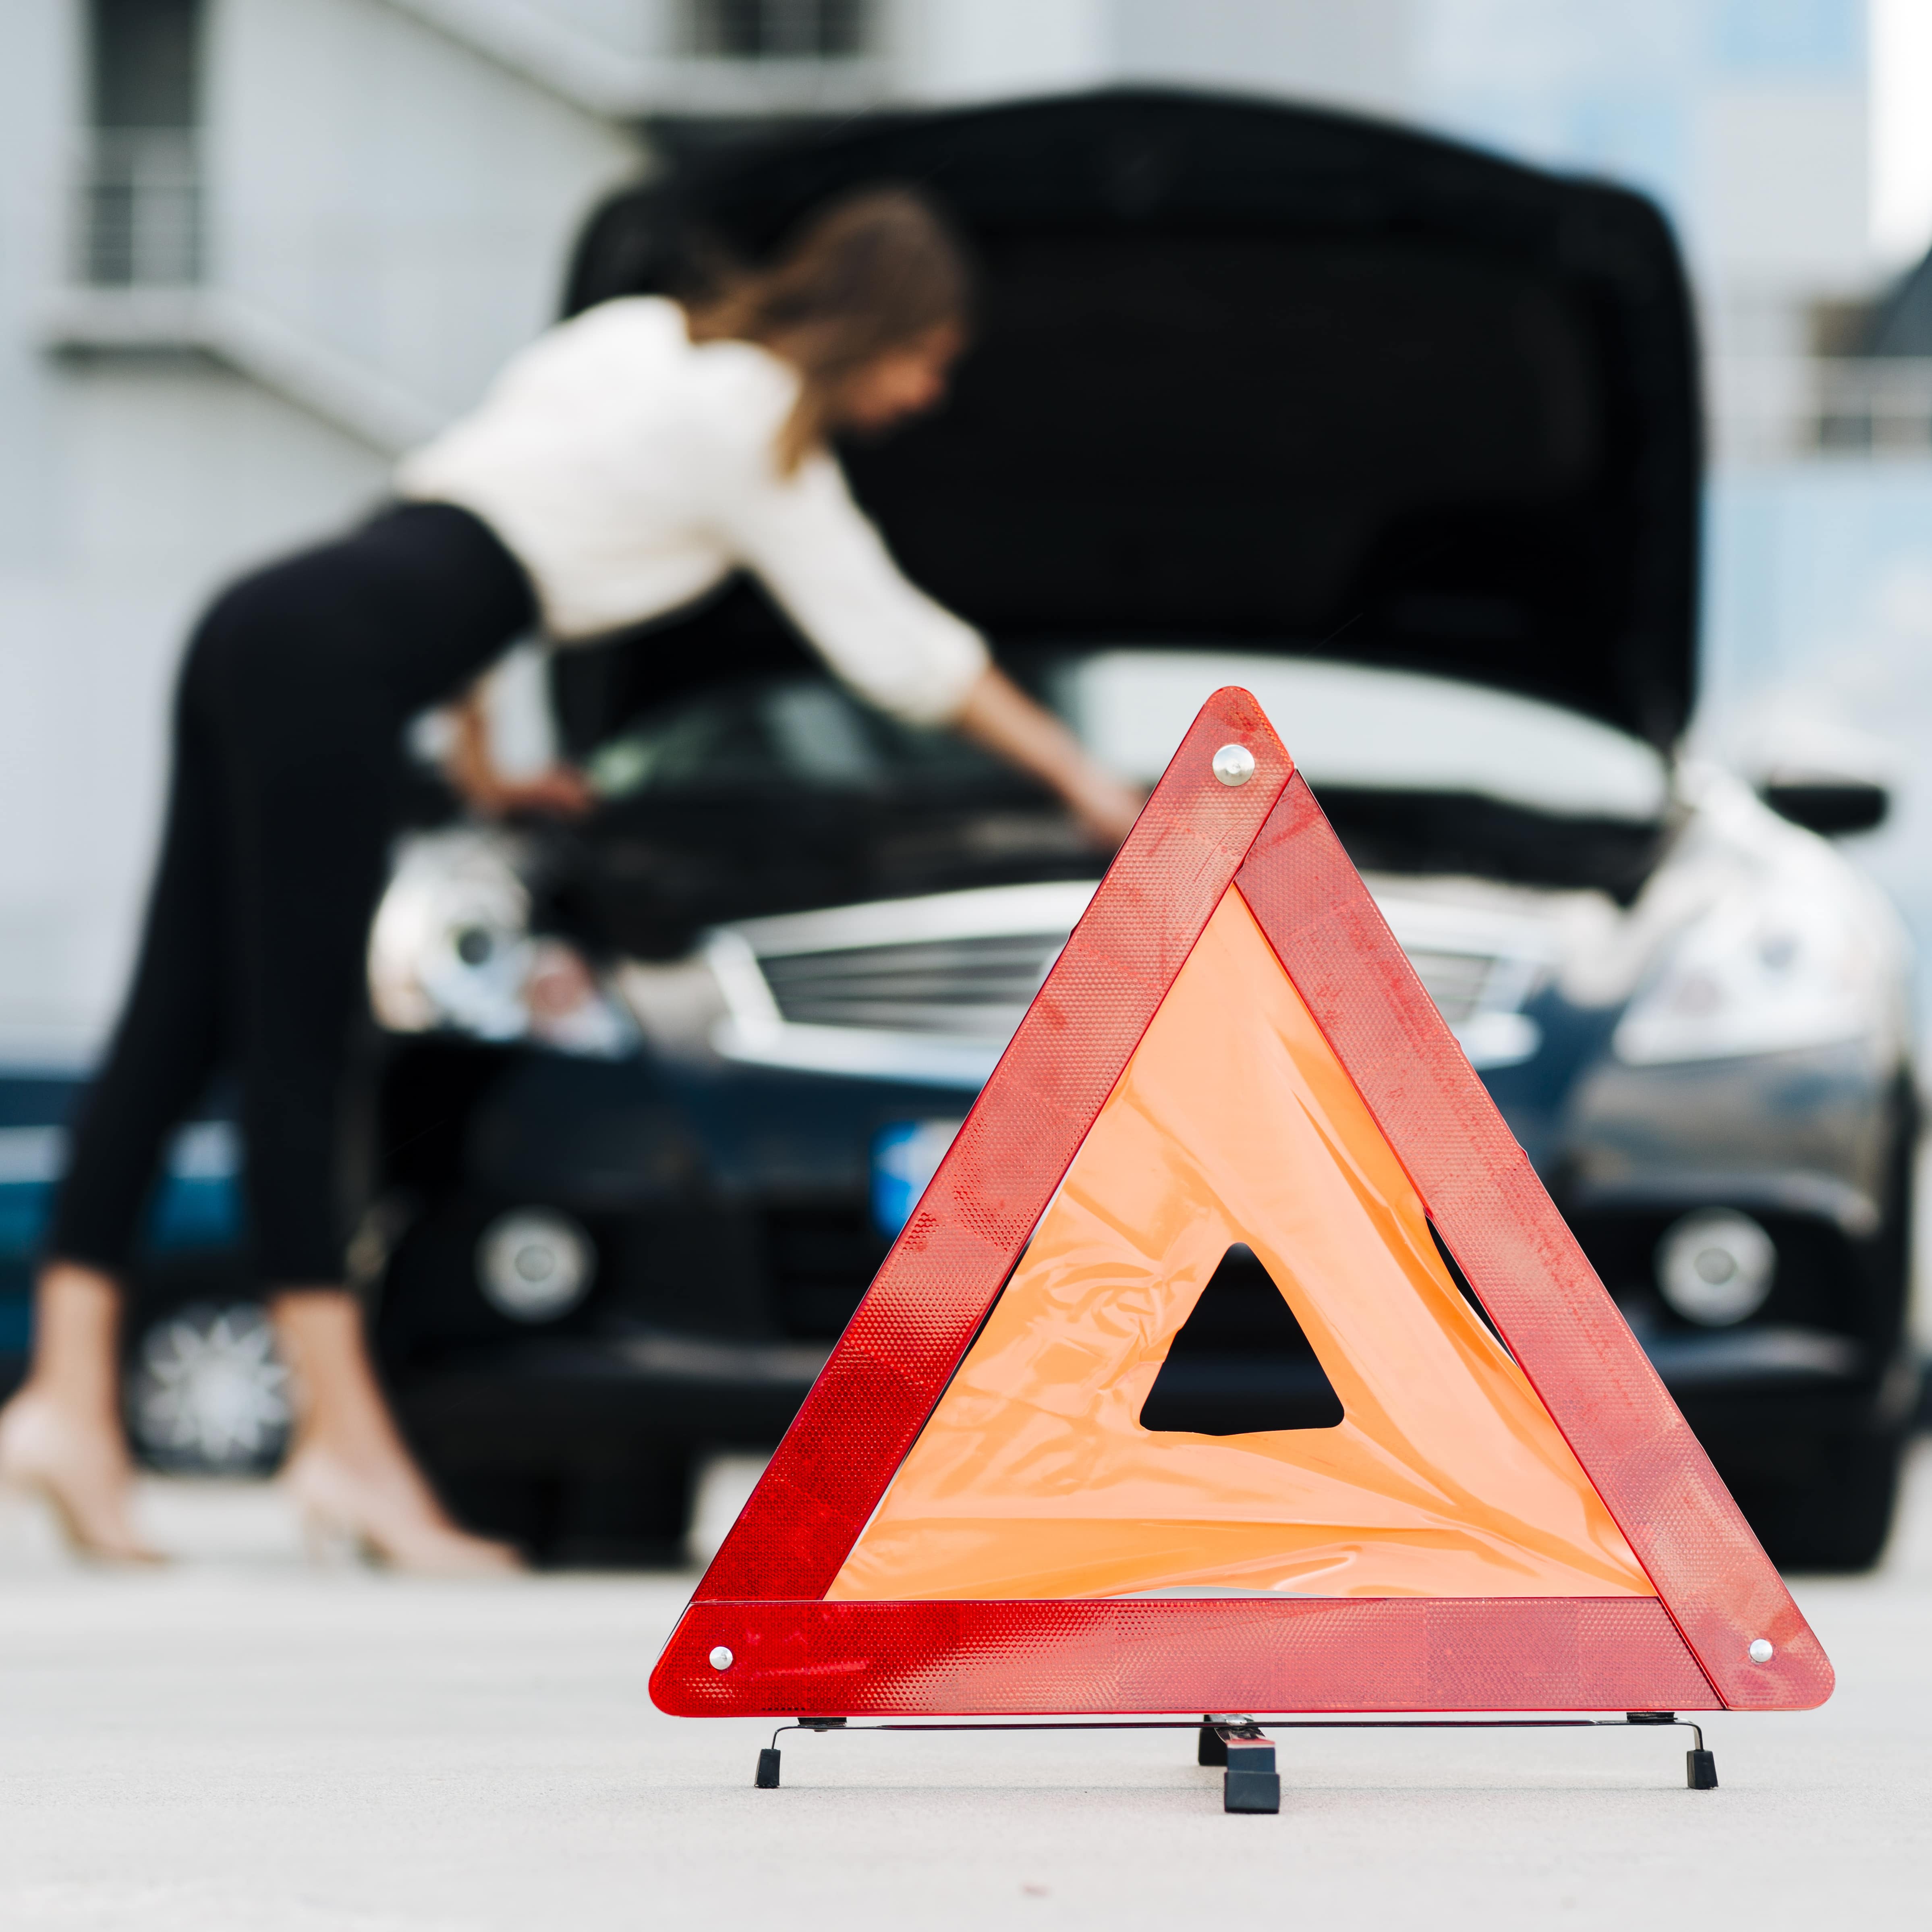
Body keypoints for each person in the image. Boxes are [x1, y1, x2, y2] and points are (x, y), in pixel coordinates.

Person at [0, 187, 1142, 1569]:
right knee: (301, 1047)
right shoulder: (755, 434)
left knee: (176, 1018)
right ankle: (344, 1451)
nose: (925, 393)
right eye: (929, 360)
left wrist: (484, 765)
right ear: (877, 330)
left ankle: (66, 1401)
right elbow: (901, 647)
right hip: (336, 667)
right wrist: (1084, 783)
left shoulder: (636, 337)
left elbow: (474, 502)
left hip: (270, 615)